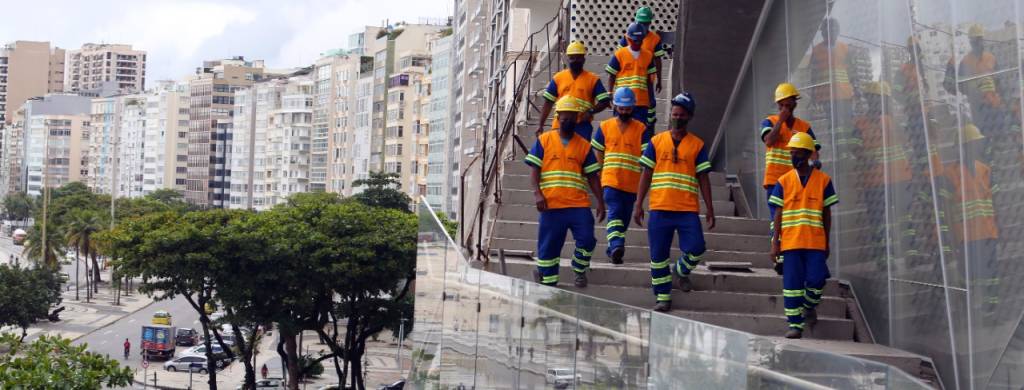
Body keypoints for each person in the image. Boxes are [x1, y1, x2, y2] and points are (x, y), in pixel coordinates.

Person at [633, 92, 715, 312]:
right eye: (674, 113)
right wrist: (639, 203)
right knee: (658, 256)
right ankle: (663, 297)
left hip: (687, 209)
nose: (676, 117)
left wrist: (710, 207)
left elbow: (703, 178)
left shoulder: (697, 145)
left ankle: (680, 271)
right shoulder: (656, 142)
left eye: (681, 114)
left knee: (697, 247)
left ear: (689, 117)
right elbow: (646, 173)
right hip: (660, 208)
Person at [525, 95, 606, 288]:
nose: (567, 120)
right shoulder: (544, 140)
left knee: (587, 240)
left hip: (577, 205)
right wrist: (537, 193)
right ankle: (548, 282)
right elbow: (534, 171)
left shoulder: (584, 145)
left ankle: (579, 267)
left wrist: (601, 202)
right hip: (551, 205)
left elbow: (593, 177)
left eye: (572, 116)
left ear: (578, 117)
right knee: (548, 248)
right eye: (564, 117)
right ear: (558, 117)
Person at [768, 132, 839, 339]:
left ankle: (809, 306)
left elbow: (827, 213)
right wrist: (775, 243)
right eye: (792, 152)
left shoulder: (824, 181)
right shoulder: (783, 181)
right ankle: (795, 325)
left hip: (815, 241)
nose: (793, 156)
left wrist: (827, 241)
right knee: (791, 286)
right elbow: (778, 214)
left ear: (808, 153)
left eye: (797, 152)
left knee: (817, 279)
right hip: (790, 242)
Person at [762, 82, 820, 274]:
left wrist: (815, 162)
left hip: (797, 181)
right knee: (776, 220)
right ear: (778, 105)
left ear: (795, 104)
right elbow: (769, 140)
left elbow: (814, 151)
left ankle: (792, 253)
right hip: (774, 181)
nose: (787, 108)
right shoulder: (769, 122)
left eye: (790, 104)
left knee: (792, 220)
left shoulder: (804, 127)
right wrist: (781, 121)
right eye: (784, 105)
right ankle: (779, 257)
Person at [591, 87, 650, 263]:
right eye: (621, 108)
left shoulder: (641, 129)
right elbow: (599, 151)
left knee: (623, 219)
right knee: (615, 213)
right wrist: (601, 173)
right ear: (615, 107)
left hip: (632, 183)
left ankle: (613, 249)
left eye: (628, 109)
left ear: (633, 108)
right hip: (611, 180)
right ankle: (617, 244)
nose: (624, 112)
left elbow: (646, 158)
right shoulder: (605, 127)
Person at [535, 41, 611, 139]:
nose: (575, 60)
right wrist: (540, 124)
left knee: (580, 153)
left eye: (578, 57)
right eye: (572, 58)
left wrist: (590, 112)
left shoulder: (593, 79)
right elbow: (548, 103)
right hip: (560, 125)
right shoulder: (558, 78)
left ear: (583, 59)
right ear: (568, 59)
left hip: (582, 126)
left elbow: (604, 101)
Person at [618, 6, 667, 128]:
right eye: (641, 23)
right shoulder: (627, 37)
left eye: (645, 23)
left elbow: (658, 60)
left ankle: (649, 128)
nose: (643, 26)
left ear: (650, 23)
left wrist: (660, 80)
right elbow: (619, 57)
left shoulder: (654, 39)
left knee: (650, 104)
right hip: (628, 80)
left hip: (646, 80)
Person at [607, 23, 658, 136]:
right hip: (622, 101)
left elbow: (649, 81)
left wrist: (650, 99)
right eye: (635, 40)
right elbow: (611, 75)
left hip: (641, 101)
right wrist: (610, 93)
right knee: (620, 131)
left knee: (639, 133)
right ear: (628, 39)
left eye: (640, 40)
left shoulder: (648, 56)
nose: (637, 43)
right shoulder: (620, 54)